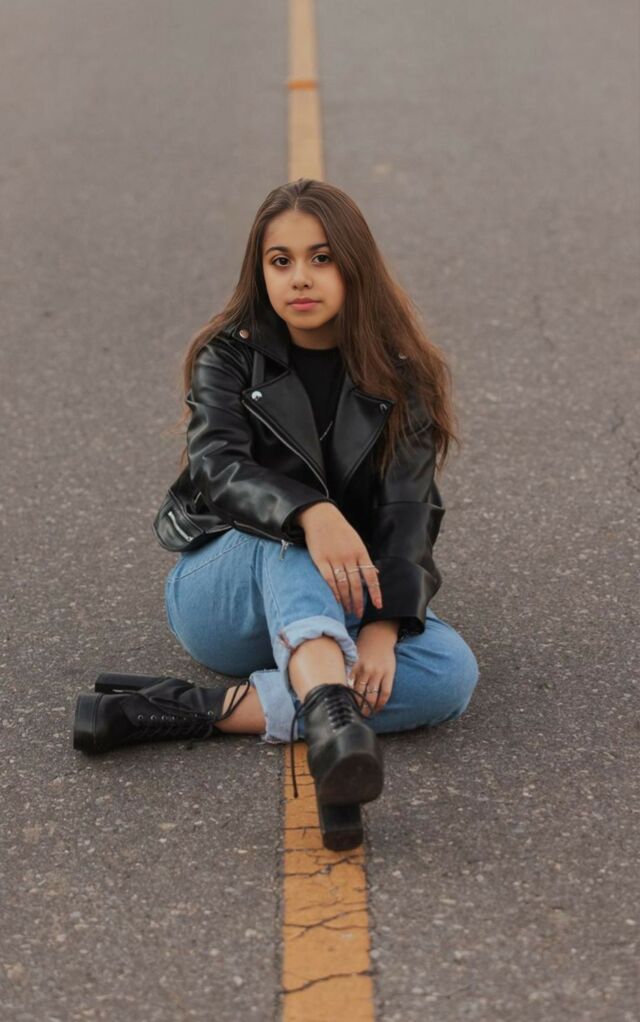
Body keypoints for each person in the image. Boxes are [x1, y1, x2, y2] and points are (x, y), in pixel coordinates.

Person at [73, 179, 479, 808]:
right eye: (281, 261)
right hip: (225, 597)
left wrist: (382, 629)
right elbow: (218, 469)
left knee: (450, 672)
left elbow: (409, 511)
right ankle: (328, 705)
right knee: (292, 537)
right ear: (260, 272)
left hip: (333, 600)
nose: (300, 278)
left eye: (322, 258)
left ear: (355, 266)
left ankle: (204, 709)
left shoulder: (403, 376)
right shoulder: (228, 357)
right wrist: (311, 512)